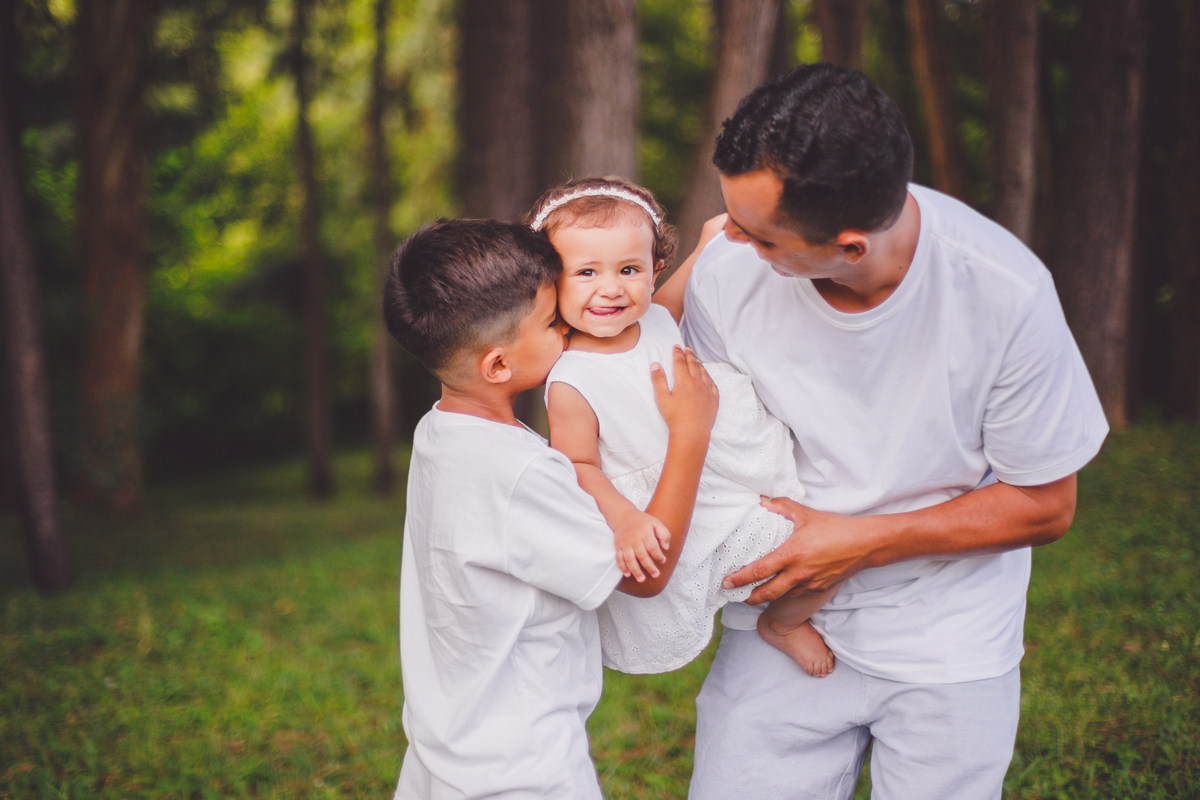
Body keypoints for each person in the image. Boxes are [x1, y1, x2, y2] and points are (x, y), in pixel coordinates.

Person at [681, 64, 1109, 799]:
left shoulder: (1004, 294)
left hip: (948, 633)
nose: (731, 243)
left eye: (759, 237)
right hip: (777, 617)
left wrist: (855, 542)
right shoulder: (723, 273)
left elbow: (1046, 503)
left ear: (849, 246)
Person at [382, 219, 719, 799]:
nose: (569, 324)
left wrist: (699, 258)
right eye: (552, 320)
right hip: (523, 770)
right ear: (497, 366)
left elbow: (629, 326)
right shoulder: (521, 474)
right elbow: (648, 573)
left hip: (443, 757)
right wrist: (690, 434)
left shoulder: (439, 433)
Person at [535, 177, 836, 678]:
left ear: (652, 271)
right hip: (663, 504)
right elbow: (579, 465)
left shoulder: (652, 318)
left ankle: (781, 622)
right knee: (799, 553)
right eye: (586, 272)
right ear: (551, 282)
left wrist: (706, 242)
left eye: (629, 269)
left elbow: (678, 293)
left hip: (720, 476)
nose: (611, 287)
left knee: (821, 554)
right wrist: (627, 521)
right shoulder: (571, 378)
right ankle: (773, 619)